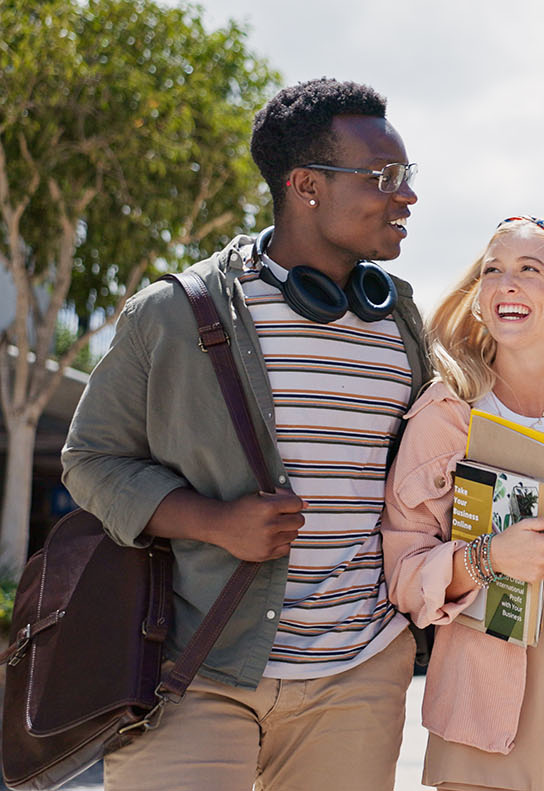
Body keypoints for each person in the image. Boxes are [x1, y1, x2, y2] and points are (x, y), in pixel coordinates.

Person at [61, 78, 425, 790]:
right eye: (383, 177)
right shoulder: (173, 313)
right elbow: (89, 458)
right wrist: (214, 521)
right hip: (196, 664)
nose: (405, 195)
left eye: (408, 177)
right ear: (306, 186)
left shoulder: (400, 318)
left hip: (357, 668)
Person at [381, 216, 544, 791]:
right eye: (494, 271)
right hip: (484, 673)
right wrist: (488, 559)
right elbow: (403, 572)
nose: (508, 284)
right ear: (478, 300)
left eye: (530, 270)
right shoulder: (447, 413)